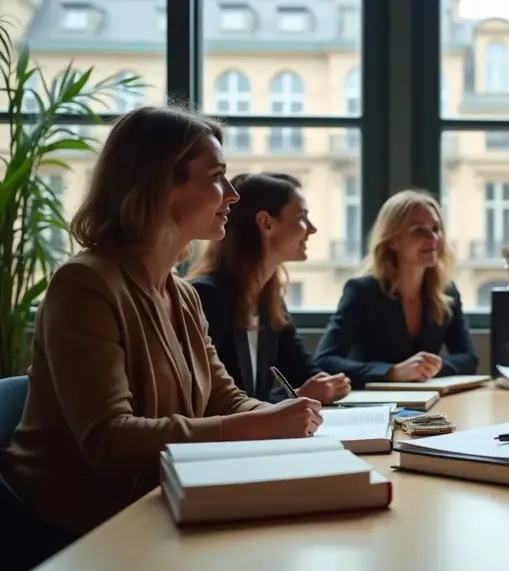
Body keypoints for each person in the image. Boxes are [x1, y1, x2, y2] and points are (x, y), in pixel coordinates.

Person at [0, 107, 324, 560]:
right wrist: (256, 424)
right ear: (159, 186)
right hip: (81, 533)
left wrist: (288, 417)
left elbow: (224, 400)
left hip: (160, 507)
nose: (231, 195)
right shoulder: (85, 284)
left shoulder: (182, 294)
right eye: (216, 177)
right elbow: (110, 440)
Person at [187, 172, 351, 405]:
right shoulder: (207, 296)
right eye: (302, 217)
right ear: (266, 223)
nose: (311, 229)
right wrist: (299, 395)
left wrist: (329, 386)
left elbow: (307, 373)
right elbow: (211, 403)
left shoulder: (269, 300)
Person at [314, 189, 477, 387]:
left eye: (436, 228)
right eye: (419, 230)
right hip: (374, 406)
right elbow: (324, 361)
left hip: (431, 401)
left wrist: (430, 368)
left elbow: (469, 358)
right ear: (393, 241)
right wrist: (393, 372)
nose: (433, 237)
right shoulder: (362, 291)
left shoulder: (447, 292)